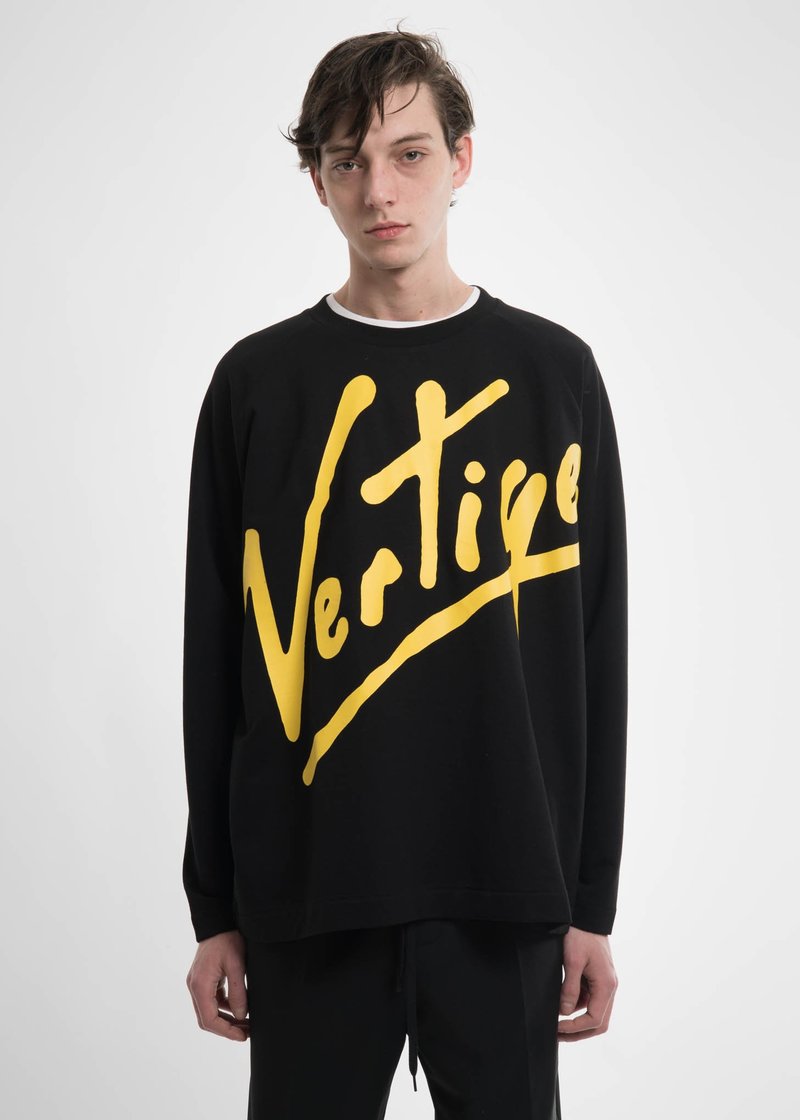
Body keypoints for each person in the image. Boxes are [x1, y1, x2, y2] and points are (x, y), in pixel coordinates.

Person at [182, 24, 628, 1120]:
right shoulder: (256, 386)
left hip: (504, 887)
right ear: (317, 180)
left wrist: (589, 901)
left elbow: (595, 651)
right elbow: (215, 656)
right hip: (310, 889)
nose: (379, 190)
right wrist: (214, 909)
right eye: (347, 160)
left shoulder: (553, 375)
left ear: (460, 159)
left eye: (409, 153)